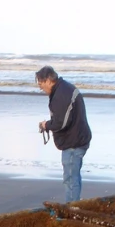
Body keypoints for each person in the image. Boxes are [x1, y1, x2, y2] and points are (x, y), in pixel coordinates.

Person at [36, 65, 92, 202]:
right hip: (77, 138)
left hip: (74, 142)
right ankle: (74, 205)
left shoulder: (62, 94)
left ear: (48, 80)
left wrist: (46, 125)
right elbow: (63, 118)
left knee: (70, 179)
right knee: (73, 177)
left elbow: (61, 123)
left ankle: (72, 210)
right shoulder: (63, 89)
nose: (40, 87)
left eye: (41, 83)